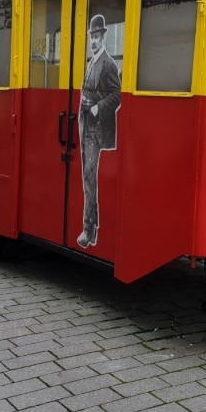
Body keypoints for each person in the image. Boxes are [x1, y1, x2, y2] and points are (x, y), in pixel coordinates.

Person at [77, 14, 121, 249]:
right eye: (91, 36)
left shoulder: (108, 63)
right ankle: (90, 230)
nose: (93, 40)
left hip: (96, 128)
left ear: (103, 37)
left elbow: (117, 95)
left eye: (96, 36)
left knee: (89, 178)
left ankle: (89, 229)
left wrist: (95, 108)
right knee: (87, 178)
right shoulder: (92, 62)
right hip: (86, 127)